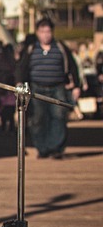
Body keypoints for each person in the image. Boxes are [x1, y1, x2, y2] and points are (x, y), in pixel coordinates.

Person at [14, 17, 82, 159]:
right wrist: (19, 83)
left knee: (58, 117)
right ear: (38, 33)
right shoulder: (31, 49)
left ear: (52, 32)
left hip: (58, 88)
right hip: (36, 88)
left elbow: (73, 66)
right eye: (42, 31)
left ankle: (56, 148)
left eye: (48, 31)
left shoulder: (61, 48)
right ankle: (42, 148)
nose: (46, 34)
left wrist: (76, 85)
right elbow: (21, 67)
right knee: (37, 118)